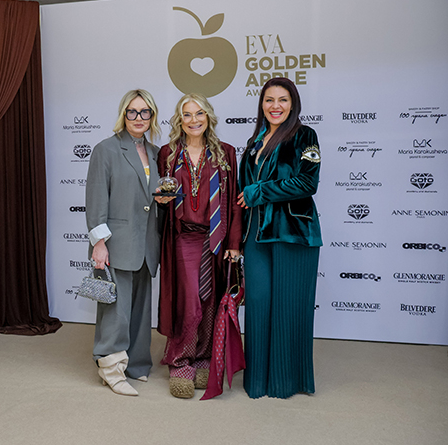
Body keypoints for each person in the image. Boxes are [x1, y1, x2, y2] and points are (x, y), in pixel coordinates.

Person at [236, 77, 322, 399]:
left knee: (288, 307)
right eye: (269, 100)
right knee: (258, 305)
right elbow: (242, 192)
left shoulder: (305, 136)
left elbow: (307, 183)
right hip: (256, 235)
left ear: (293, 103)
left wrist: (259, 191)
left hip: (292, 234)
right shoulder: (254, 141)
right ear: (261, 104)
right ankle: (257, 380)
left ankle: (286, 381)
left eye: (283, 100)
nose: (275, 106)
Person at [156, 93, 242, 399]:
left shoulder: (226, 153)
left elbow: (235, 201)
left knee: (210, 298)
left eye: (199, 113)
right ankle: (181, 360)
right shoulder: (168, 153)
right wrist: (161, 200)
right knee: (189, 298)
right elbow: (160, 196)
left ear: (209, 117)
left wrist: (234, 242)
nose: (194, 120)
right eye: (187, 115)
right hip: (184, 236)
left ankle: (204, 356)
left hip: (216, 238)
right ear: (179, 120)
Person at [85, 89, 163, 396]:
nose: (138, 117)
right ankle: (111, 367)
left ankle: (136, 365)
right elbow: (96, 200)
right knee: (116, 312)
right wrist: (99, 243)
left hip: (146, 243)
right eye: (132, 111)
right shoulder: (106, 149)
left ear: (152, 116)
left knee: (141, 310)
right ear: (123, 114)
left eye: (145, 112)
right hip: (115, 243)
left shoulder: (156, 153)